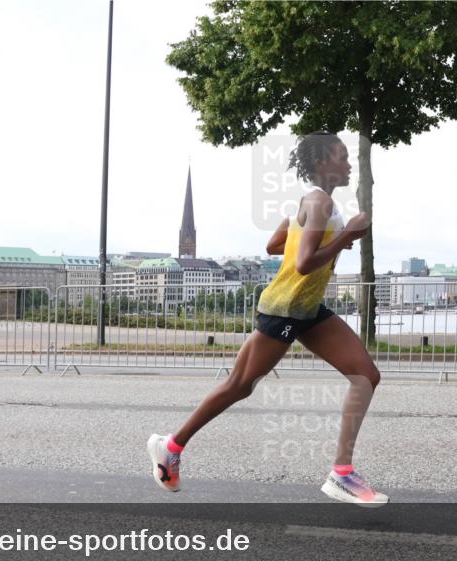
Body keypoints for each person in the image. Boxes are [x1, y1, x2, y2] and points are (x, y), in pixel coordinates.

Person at [147, 131, 387, 507]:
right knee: (239, 386)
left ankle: (341, 474)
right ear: (323, 163)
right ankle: (171, 446)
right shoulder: (317, 201)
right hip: (284, 309)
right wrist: (345, 237)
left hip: (308, 311)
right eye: (342, 156)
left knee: (366, 375)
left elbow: (276, 245)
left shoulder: (312, 204)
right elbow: (306, 263)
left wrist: (327, 236)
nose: (349, 163)